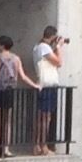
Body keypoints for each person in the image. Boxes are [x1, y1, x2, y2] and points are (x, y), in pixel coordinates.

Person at [0, 34, 27, 158]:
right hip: (9, 90)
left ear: (1, 45)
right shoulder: (16, 59)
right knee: (7, 121)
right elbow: (22, 76)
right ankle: (6, 148)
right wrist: (35, 85)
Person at [32, 25, 65, 155]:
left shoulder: (37, 47)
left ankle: (38, 145)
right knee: (45, 117)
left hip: (42, 83)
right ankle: (42, 145)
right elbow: (59, 62)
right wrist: (58, 47)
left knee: (42, 116)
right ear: (52, 36)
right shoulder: (44, 48)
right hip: (47, 85)